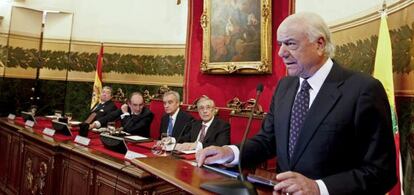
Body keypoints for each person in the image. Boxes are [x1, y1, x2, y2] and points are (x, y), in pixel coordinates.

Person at [196, 12, 397, 194]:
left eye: (290, 44)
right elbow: (267, 141)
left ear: (319, 44)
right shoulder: (285, 87)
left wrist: (319, 188)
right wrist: (230, 152)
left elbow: (381, 172)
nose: (281, 53)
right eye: (279, 44)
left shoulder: (363, 90)